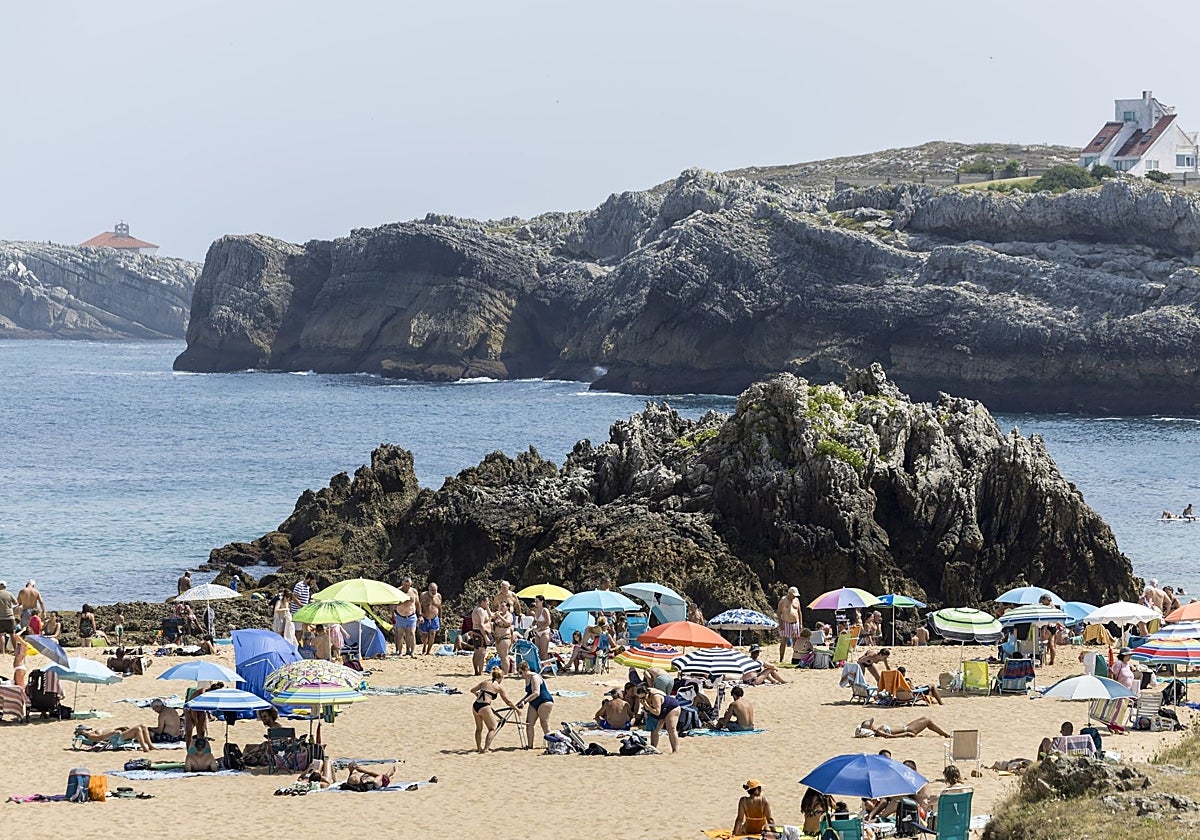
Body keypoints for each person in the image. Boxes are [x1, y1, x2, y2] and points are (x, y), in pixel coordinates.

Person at [469, 666, 517, 752]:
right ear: (500, 677)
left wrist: (478, 695)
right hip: (484, 706)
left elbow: (472, 690)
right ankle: (486, 749)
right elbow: (508, 701)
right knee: (492, 728)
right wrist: (517, 709)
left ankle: (478, 748)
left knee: (479, 728)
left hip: (475, 705)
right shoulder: (498, 687)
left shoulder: (484, 682)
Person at [515, 660, 554, 749]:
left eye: (521, 672)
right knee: (529, 723)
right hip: (533, 702)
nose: (521, 675)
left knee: (544, 723)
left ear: (526, 670)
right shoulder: (526, 679)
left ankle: (551, 744)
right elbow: (529, 693)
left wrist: (524, 702)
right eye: (519, 673)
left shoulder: (534, 677)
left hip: (544, 701)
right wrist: (519, 702)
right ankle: (530, 745)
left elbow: (536, 692)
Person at [636, 683, 681, 753]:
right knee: (654, 729)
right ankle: (653, 748)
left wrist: (647, 706)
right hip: (659, 709)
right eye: (640, 698)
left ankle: (675, 750)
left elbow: (657, 712)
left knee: (671, 728)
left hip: (671, 708)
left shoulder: (655, 696)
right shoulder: (643, 696)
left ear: (647, 693)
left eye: (643, 697)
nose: (642, 699)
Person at [78, 724, 155, 752]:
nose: (89, 730)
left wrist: (119, 728)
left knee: (143, 726)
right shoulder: (90, 735)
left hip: (117, 734)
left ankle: (151, 746)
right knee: (137, 729)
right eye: (86, 729)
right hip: (116, 738)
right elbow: (99, 738)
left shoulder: (93, 732)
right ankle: (145, 748)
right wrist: (112, 733)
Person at [393, 576, 420, 657]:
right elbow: (394, 603)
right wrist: (405, 600)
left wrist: (420, 615)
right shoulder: (397, 591)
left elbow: (418, 603)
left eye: (408, 585)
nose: (406, 587)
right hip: (400, 615)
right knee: (400, 634)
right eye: (405, 585)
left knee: (411, 633)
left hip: (411, 615)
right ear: (402, 584)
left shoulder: (414, 591)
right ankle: (400, 652)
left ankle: (412, 652)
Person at [776, 586, 803, 663]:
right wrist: (780, 623)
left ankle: (795, 658)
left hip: (795, 623)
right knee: (784, 641)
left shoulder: (796, 600)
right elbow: (779, 612)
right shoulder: (783, 600)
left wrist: (800, 623)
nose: (794, 596)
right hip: (786, 622)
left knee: (795, 641)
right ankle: (781, 658)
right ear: (789, 593)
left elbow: (799, 612)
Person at [861, 716, 951, 738]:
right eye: (871, 724)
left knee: (925, 719)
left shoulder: (878, 730)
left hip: (907, 727)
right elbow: (890, 737)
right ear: (870, 727)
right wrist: (906, 734)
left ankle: (943, 734)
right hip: (908, 729)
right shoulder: (878, 731)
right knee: (928, 721)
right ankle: (945, 734)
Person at [469, 595, 492, 676]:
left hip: (476, 631)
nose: (488, 603)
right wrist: (486, 637)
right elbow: (481, 625)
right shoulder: (480, 610)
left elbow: (491, 616)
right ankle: (480, 672)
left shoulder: (477, 609)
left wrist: (488, 607)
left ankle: (476, 671)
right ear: (482, 602)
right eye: (487, 602)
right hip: (480, 632)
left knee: (476, 652)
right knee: (481, 653)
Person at [491, 599, 516, 674]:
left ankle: (505, 673)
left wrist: (500, 617)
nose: (501, 608)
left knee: (504, 656)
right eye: (500, 606)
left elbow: (508, 623)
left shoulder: (509, 615)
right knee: (501, 656)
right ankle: (503, 671)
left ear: (507, 607)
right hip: (497, 637)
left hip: (505, 637)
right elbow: (490, 617)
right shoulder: (498, 614)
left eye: (503, 606)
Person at [419, 582, 442, 655]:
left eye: (435, 590)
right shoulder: (423, 595)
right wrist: (420, 615)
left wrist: (440, 617)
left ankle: (428, 651)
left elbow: (440, 607)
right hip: (425, 617)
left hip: (434, 617)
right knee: (424, 635)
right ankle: (424, 646)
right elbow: (419, 605)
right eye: (432, 590)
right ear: (428, 588)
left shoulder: (438, 596)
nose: (433, 592)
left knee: (432, 633)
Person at [530, 594, 552, 665]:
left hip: (544, 631)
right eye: (535, 601)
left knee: (543, 651)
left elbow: (549, 622)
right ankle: (541, 666)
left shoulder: (544, 610)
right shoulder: (537, 610)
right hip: (538, 632)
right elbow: (535, 620)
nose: (536, 603)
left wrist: (540, 628)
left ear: (542, 601)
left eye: (537, 601)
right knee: (538, 651)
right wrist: (531, 626)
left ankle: (546, 667)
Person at [0, 582, 16, 654]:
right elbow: (15, 603)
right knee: (12, 634)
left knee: (1, 634)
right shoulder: (9, 594)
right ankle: (15, 650)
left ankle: (3, 651)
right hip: (10, 616)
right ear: (5, 587)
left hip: (0, 617)